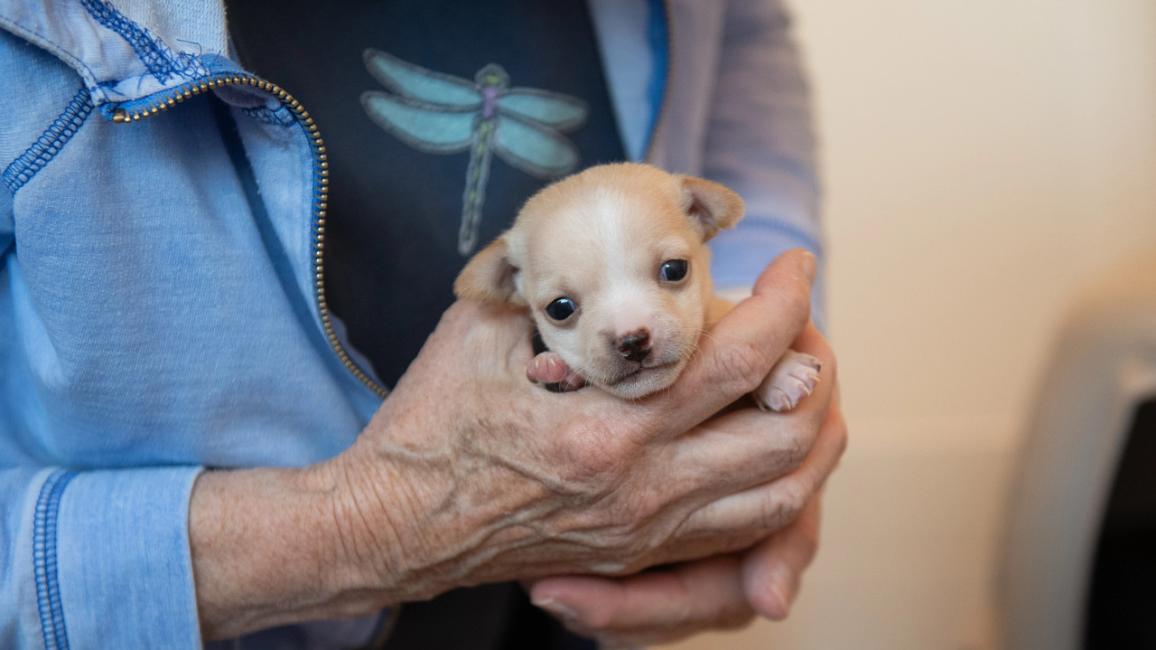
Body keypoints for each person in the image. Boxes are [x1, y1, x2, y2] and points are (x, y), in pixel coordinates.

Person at [0, 1, 846, 648]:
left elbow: (736, 42)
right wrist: (364, 527)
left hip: (564, 614)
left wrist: (756, 361)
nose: (632, 324)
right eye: (560, 308)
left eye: (669, 271)